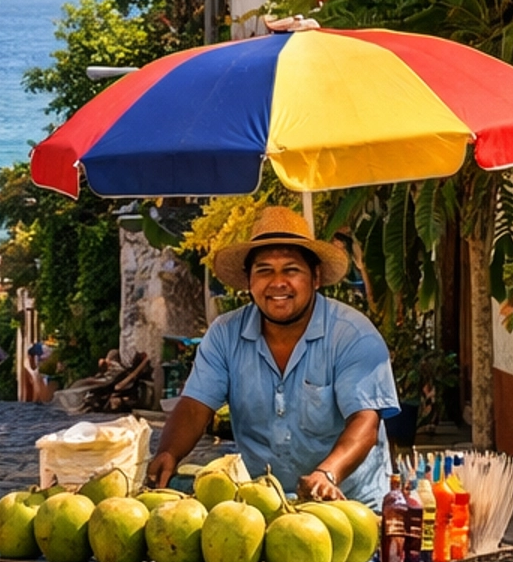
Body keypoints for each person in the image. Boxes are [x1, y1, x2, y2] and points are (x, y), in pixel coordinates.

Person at [146, 207, 398, 507]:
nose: (278, 283)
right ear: (248, 281)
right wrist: (168, 453)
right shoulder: (225, 335)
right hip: (264, 506)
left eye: (291, 270)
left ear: (315, 277)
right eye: (264, 270)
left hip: (350, 505)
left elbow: (365, 422)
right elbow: (194, 407)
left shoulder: (352, 335)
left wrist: (327, 474)